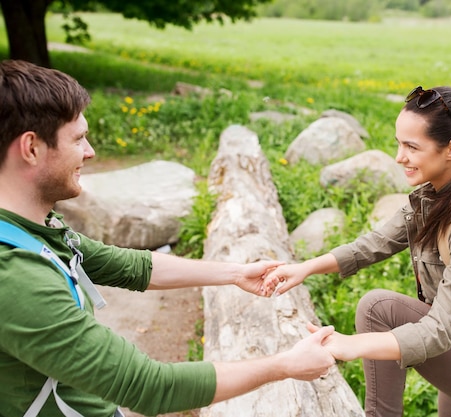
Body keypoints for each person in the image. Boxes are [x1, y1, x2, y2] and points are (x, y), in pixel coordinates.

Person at [0, 59, 336, 416]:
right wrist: (284, 366)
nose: (90, 151)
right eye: (79, 138)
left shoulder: (31, 227)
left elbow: (128, 266)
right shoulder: (17, 279)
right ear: (32, 148)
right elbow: (149, 387)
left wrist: (235, 273)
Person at [263, 85, 451, 416]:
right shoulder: (442, 191)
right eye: (399, 143)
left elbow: (442, 329)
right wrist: (304, 268)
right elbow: (376, 242)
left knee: (378, 308)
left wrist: (351, 345)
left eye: (411, 146)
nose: (399, 157)